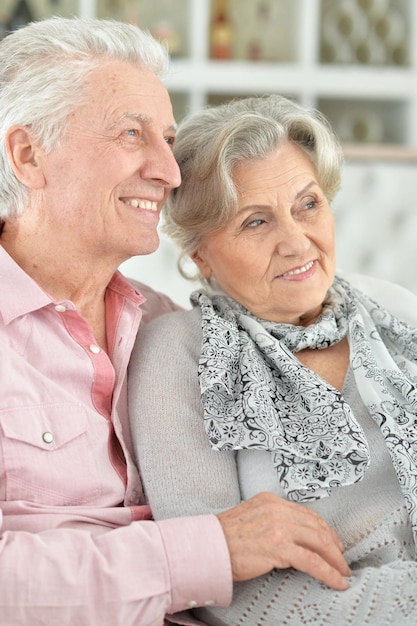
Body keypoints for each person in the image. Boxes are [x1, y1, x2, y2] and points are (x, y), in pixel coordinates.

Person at [0, 18, 352, 626]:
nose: (171, 170)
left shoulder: (171, 328)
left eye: (167, 138)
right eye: (132, 134)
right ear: (29, 154)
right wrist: (208, 549)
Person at [128, 94, 417, 625]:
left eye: (308, 204)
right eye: (256, 223)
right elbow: (224, 596)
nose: (296, 242)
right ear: (200, 255)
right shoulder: (178, 356)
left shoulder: (398, 310)